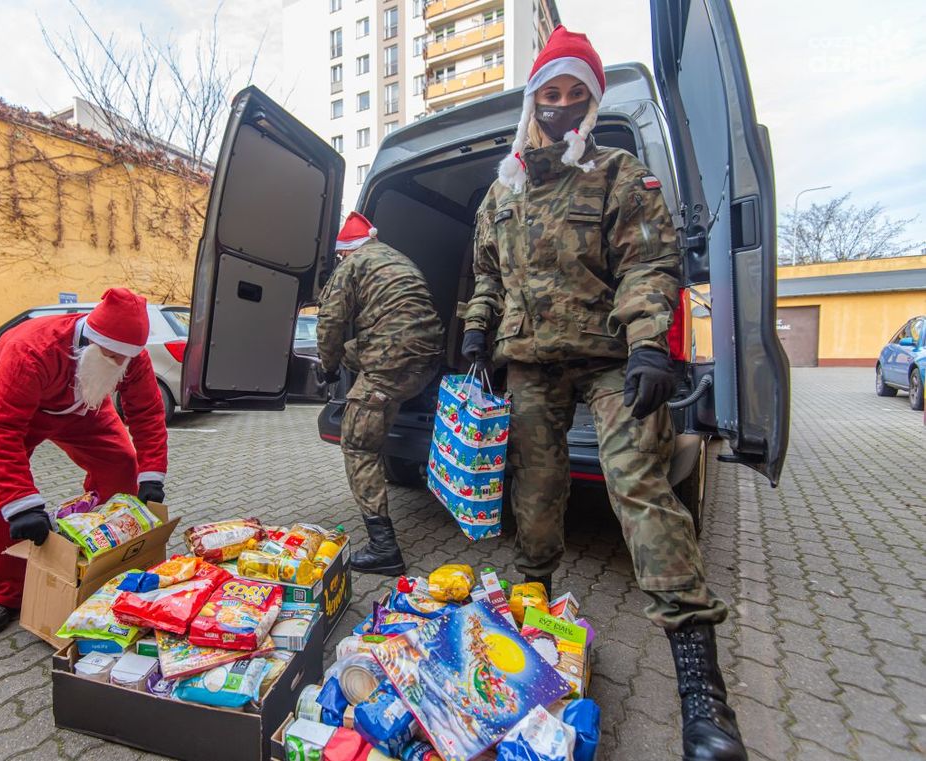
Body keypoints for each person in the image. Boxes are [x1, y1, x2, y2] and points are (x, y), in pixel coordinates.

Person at [461, 26, 746, 761]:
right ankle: (534, 609)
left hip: (608, 358)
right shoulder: (503, 188)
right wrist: (475, 334)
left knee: (637, 484)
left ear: (592, 102)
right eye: (549, 93)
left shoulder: (620, 174)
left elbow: (649, 264)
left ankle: (701, 691)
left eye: (574, 94)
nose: (560, 106)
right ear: (533, 100)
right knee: (535, 488)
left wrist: (652, 340)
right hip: (528, 362)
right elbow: (487, 276)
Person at [0, 288, 168, 637]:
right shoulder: (33, 349)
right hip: (4, 406)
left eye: (127, 358)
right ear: (90, 341)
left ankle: (101, 556)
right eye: (112, 356)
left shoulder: (130, 358)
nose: (120, 365)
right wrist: (21, 504)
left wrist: (152, 475)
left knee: (120, 463)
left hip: (80, 404)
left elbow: (147, 413)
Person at [316, 212, 444, 575]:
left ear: (346, 251)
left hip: (392, 365)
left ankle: (384, 548)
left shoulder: (350, 265)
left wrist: (327, 368)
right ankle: (405, 401)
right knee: (354, 349)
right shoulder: (398, 259)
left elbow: (330, 323)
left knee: (357, 446)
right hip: (428, 360)